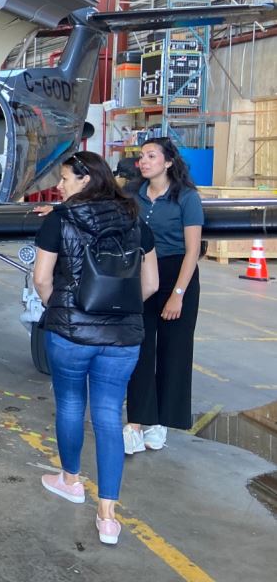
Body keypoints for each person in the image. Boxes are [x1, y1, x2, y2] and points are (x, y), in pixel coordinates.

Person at [32, 151, 159, 547]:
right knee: (107, 414)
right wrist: (118, 308)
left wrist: (61, 308)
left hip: (70, 333)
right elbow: (151, 284)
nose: (60, 185)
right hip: (123, 337)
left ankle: (70, 481)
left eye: (66, 177)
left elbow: (41, 279)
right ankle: (107, 515)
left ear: (86, 179)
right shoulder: (135, 217)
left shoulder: (60, 219)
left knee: (70, 405)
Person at [124, 137, 204, 454]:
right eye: (141, 156)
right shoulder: (133, 195)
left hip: (176, 275)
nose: (143, 161)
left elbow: (193, 250)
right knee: (139, 349)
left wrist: (178, 295)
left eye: (151, 156)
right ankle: (135, 423)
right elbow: (97, 203)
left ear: (168, 162)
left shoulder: (187, 197)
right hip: (142, 274)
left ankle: (160, 422)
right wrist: (57, 208)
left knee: (174, 352)